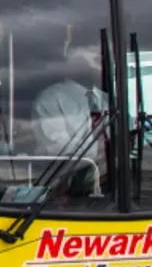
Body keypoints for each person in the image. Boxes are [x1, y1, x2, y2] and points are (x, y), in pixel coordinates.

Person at [32, 43, 110, 196]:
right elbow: (58, 148)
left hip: (112, 182)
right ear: (75, 63)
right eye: (96, 60)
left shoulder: (106, 99)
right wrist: (103, 152)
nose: (103, 67)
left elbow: (123, 135)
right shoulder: (51, 99)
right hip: (67, 185)